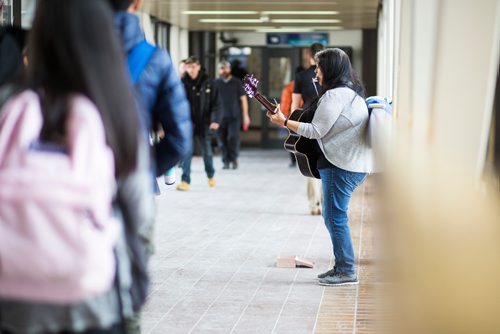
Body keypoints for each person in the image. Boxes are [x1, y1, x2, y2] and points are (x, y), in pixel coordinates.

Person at [0, 0, 151, 332]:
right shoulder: (117, 111)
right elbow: (139, 214)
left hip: (12, 300)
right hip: (93, 297)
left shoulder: (12, 105)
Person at [267, 48, 372, 286]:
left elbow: (316, 131)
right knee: (333, 216)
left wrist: (283, 122)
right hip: (348, 163)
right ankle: (341, 266)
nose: (315, 72)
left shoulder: (335, 96)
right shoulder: (351, 93)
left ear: (330, 69)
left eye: (318, 67)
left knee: (335, 217)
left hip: (341, 165)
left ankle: (345, 270)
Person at [109, 0, 191, 194]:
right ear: (137, 3)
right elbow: (180, 139)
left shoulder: (62, 53)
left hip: (74, 188)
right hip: (131, 187)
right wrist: (143, 170)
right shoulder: (155, 59)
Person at [176, 56, 222, 191]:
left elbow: (216, 104)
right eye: (188, 67)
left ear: (198, 66)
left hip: (205, 122)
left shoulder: (209, 83)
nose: (190, 69)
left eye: (192, 66)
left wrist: (215, 120)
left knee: (207, 152)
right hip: (188, 123)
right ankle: (185, 181)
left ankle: (210, 175)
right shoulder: (182, 83)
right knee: (186, 152)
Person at [292, 43, 325, 216]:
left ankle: (314, 204)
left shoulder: (300, 76)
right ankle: (326, 202)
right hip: (328, 120)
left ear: (309, 56)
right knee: (327, 160)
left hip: (307, 120)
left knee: (310, 161)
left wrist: (292, 126)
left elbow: (295, 105)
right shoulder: (330, 75)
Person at [214, 60, 250, 170]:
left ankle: (233, 158)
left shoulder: (237, 82)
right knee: (221, 140)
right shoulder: (215, 83)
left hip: (234, 116)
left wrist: (246, 116)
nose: (223, 71)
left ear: (230, 69)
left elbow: (243, 100)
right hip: (219, 117)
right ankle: (226, 161)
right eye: (221, 68)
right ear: (219, 70)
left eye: (225, 68)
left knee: (232, 137)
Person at [280, 65, 304, 168]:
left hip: (292, 117)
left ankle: (294, 161)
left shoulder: (289, 87)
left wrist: (285, 119)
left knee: (292, 139)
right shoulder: (308, 85)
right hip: (305, 117)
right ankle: (302, 160)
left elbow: (285, 104)